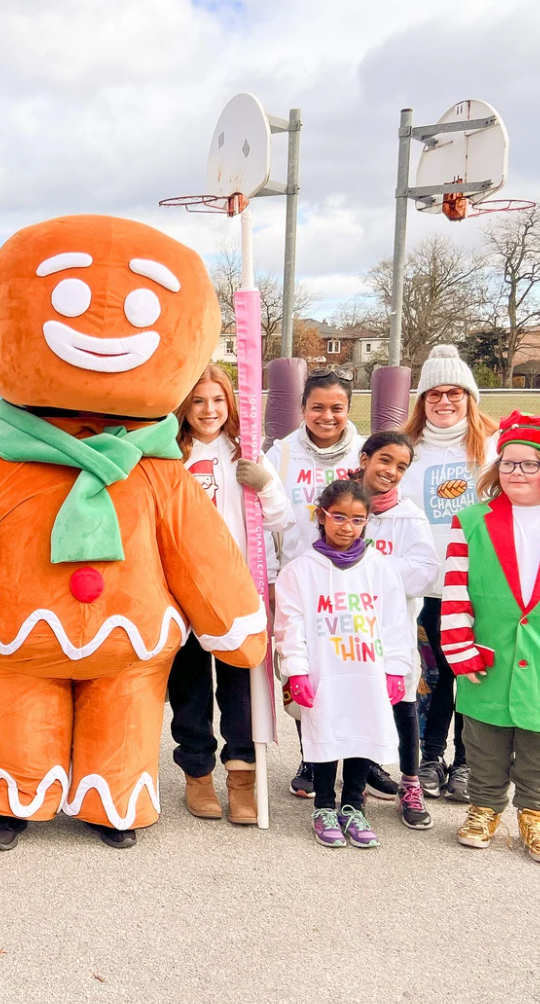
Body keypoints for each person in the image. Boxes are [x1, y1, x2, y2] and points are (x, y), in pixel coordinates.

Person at [0, 215, 267, 852]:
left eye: (141, 307)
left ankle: (111, 800)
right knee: (8, 715)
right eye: (69, 299)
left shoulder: (159, 468)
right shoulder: (2, 463)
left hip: (126, 640)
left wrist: (234, 617)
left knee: (122, 715)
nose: (105, 329)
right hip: (9, 634)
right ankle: (10, 799)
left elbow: (199, 545)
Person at [170, 364, 292, 824]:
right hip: (184, 590)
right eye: (198, 401)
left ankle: (242, 777)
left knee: (240, 687)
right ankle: (197, 774)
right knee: (190, 687)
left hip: (238, 590)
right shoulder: (168, 454)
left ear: (230, 404)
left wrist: (265, 486)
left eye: (217, 400)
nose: (208, 410)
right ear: (185, 405)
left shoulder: (247, 451)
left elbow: (283, 521)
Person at [274, 479, 413, 849]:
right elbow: (289, 623)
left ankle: (352, 804)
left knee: (360, 732)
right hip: (325, 672)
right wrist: (296, 669)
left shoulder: (381, 569)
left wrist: (396, 668)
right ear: (321, 516)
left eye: (357, 519)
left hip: (367, 671)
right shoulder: (301, 570)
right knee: (325, 734)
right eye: (338, 517)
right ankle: (323, 805)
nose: (346, 526)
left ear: (367, 521)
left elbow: (396, 622)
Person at [441, 412, 540, 863]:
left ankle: (534, 814)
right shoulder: (471, 521)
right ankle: (483, 807)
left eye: (528, 464)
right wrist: (460, 648)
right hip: (489, 651)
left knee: (537, 742)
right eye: (508, 463)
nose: (516, 472)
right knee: (484, 739)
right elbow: (457, 589)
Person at [401, 344, 498, 802]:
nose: (444, 402)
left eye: (454, 393)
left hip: (479, 585)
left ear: (469, 398)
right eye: (434, 394)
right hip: (427, 587)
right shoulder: (408, 449)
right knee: (432, 677)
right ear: (421, 400)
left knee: (474, 676)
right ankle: (430, 755)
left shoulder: (492, 447)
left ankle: (467, 762)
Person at [266, 367, 365, 798]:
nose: (327, 416)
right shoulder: (281, 455)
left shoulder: (364, 454)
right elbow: (263, 524)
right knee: (303, 669)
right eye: (318, 407)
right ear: (303, 408)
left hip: (353, 581)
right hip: (300, 579)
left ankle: (362, 758)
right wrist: (271, 576)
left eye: (336, 408)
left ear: (348, 410)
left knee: (353, 670)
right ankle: (311, 755)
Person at [355, 432, 439, 827]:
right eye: (384, 461)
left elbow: (424, 572)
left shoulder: (409, 516)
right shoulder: (343, 504)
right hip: (349, 626)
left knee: (402, 704)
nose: (390, 472)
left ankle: (409, 782)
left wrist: (373, 571)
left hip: (393, 629)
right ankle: (353, 786)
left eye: (401, 467)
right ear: (366, 457)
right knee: (355, 703)